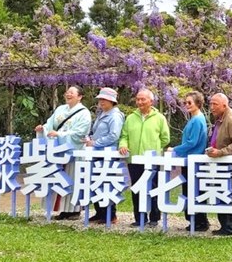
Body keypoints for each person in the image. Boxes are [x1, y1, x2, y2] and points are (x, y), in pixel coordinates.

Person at [36, 85, 92, 220]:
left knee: (73, 179)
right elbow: (50, 124)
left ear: (80, 96)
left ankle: (74, 210)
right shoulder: (60, 109)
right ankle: (62, 209)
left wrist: (59, 134)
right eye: (67, 92)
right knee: (60, 180)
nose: (68, 95)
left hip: (75, 152)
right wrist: (42, 129)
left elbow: (80, 133)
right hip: (58, 151)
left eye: (72, 93)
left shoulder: (84, 113)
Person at [118, 88, 170, 227]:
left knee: (153, 188)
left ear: (151, 101)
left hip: (152, 160)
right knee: (136, 188)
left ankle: (154, 218)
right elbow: (124, 136)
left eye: (143, 99)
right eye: (138, 99)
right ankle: (139, 218)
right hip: (134, 159)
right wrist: (123, 145)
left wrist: (154, 147)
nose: (139, 102)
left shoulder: (159, 118)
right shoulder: (130, 118)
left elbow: (165, 138)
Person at [167, 91, 210, 231]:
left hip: (194, 159)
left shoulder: (197, 120)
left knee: (193, 190)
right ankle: (197, 220)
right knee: (193, 190)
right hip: (191, 159)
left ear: (198, 104)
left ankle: (199, 221)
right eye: (185, 102)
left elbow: (192, 142)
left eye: (189, 102)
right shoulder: (195, 118)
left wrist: (175, 149)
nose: (186, 105)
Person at [205, 93, 232, 236]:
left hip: (228, 163)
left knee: (223, 193)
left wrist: (221, 152)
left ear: (224, 105)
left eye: (215, 104)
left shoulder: (231, 120)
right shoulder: (220, 119)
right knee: (226, 193)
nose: (212, 107)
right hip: (220, 162)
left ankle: (228, 227)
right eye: (210, 104)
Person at [85, 87, 125, 224]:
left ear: (112, 101)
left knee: (106, 183)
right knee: (96, 182)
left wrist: (95, 143)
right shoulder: (102, 114)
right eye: (100, 99)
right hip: (97, 153)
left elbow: (114, 135)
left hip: (107, 154)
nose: (101, 102)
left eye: (104, 99)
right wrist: (90, 139)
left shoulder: (115, 116)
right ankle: (100, 212)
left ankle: (110, 214)